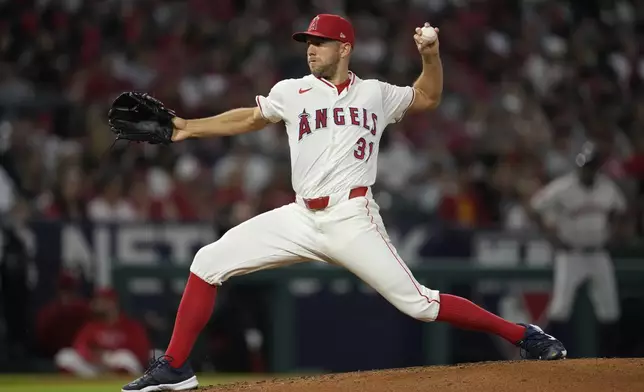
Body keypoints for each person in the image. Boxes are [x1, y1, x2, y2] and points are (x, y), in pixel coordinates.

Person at [122, 14, 566, 392]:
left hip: (352, 216)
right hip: (300, 215)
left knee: (421, 305)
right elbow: (250, 117)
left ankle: (523, 335)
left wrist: (430, 54)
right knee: (207, 260)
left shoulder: (375, 93)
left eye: (320, 42)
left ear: (344, 47)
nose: (311, 49)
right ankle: (176, 367)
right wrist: (184, 127)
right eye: (308, 42)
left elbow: (428, 96)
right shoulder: (292, 91)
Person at [528, 141, 628, 356]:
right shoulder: (564, 187)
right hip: (571, 254)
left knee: (610, 309)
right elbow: (535, 207)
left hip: (599, 253)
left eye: (591, 166)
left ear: (597, 167)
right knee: (560, 308)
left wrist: (617, 233)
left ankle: (611, 360)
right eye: (584, 165)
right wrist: (551, 237)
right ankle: (550, 353)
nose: (587, 170)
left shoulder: (606, 187)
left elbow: (621, 209)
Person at [55, 288, 151, 378]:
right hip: (93, 367)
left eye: (101, 301)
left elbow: (141, 353)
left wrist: (109, 353)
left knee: (124, 357)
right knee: (65, 356)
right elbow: (79, 346)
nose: (96, 304)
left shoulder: (130, 326)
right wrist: (91, 355)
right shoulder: (92, 326)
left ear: (112, 303)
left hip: (114, 364)